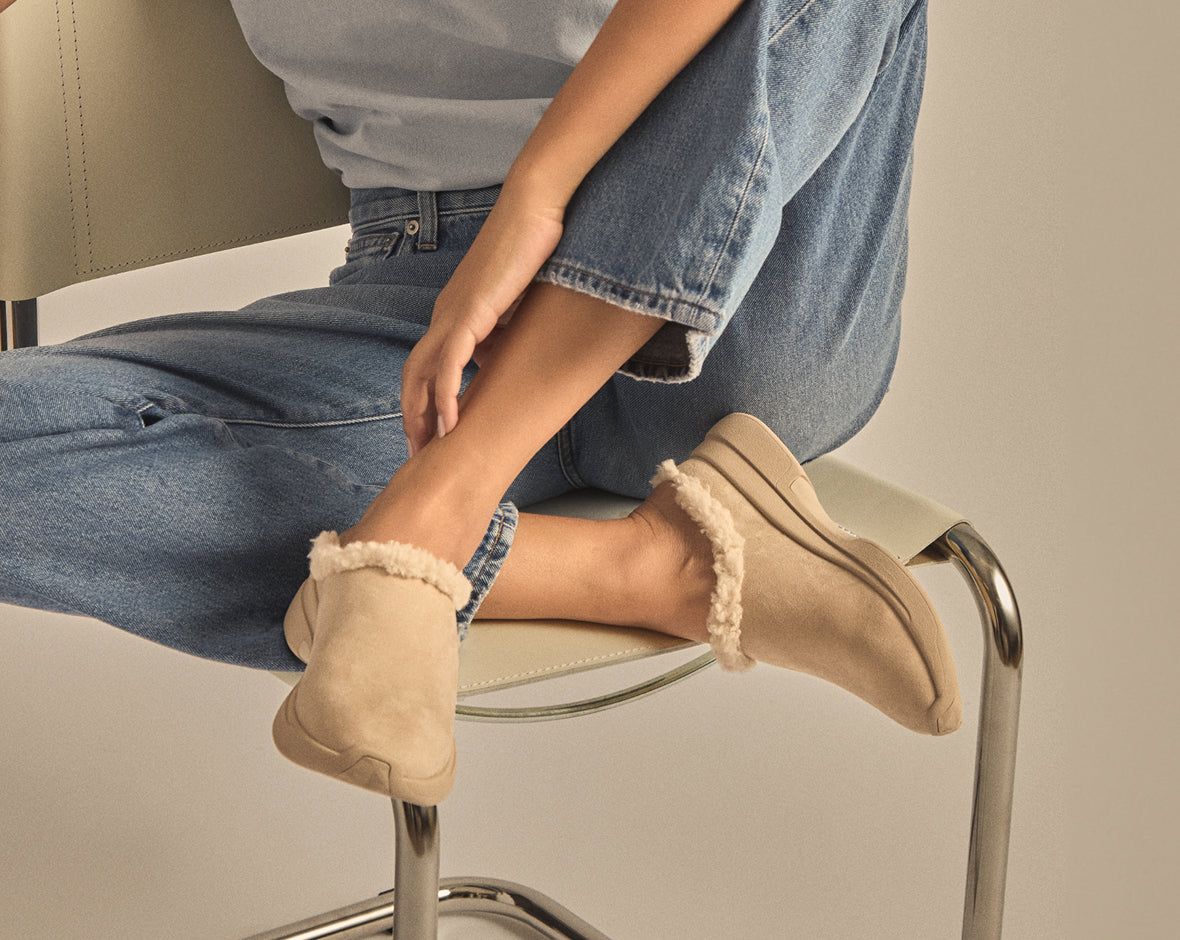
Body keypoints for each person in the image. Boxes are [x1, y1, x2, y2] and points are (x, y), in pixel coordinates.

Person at [0, 0, 959, 805]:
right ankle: (652, 569)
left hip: (743, 283)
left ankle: (435, 516)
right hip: (418, 312)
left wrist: (539, 196)